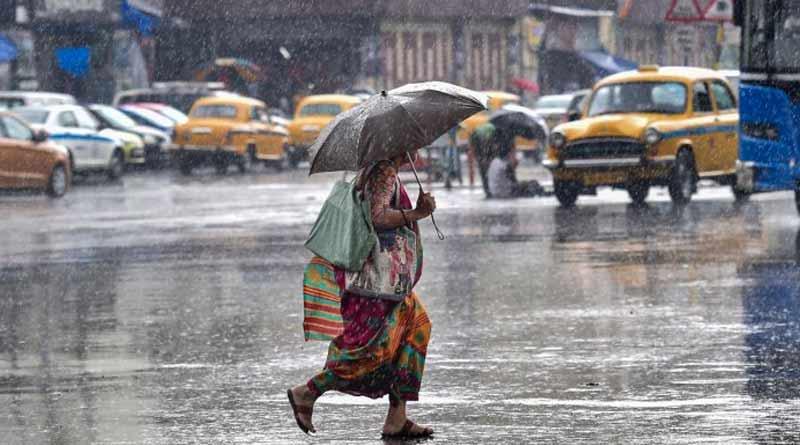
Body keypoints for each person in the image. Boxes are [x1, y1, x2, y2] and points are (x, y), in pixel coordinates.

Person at [288, 152, 436, 439]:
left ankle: (397, 416)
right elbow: (377, 217)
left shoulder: (380, 169)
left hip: (388, 285)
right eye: (415, 141)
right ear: (397, 141)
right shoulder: (383, 171)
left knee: (415, 328)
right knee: (372, 351)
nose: (418, 147)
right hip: (376, 285)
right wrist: (417, 213)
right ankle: (307, 391)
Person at [468, 122, 501, 198]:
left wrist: (480, 158)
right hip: (480, 142)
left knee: (483, 169)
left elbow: (474, 148)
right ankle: (489, 190)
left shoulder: (478, 131)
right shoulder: (494, 131)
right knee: (486, 169)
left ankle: (487, 190)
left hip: (478, 141)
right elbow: (493, 146)